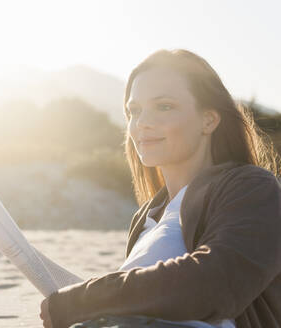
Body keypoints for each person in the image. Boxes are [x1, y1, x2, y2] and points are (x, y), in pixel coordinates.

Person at [39, 48, 281, 328]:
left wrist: (82, 300)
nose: (142, 123)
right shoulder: (146, 216)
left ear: (209, 120)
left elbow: (216, 284)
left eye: (164, 106)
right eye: (134, 111)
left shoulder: (253, 188)